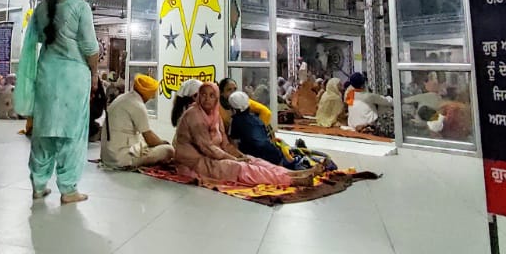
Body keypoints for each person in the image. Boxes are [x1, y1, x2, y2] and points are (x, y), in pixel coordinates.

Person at [17, 0, 100, 204]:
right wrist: (95, 73)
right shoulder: (79, 7)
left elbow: (38, 38)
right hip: (73, 79)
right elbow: (91, 48)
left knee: (44, 131)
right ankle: (68, 189)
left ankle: (39, 184)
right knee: (71, 134)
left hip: (47, 76)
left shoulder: (43, 8)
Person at [172, 82, 321, 188]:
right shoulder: (194, 115)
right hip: (196, 162)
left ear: (216, 98)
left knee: (252, 160)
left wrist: (238, 155)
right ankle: (291, 181)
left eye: (211, 95)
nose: (206, 99)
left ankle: (293, 174)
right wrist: (234, 158)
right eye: (202, 95)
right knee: (242, 168)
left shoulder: (215, 114)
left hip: (215, 156)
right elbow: (207, 148)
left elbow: (225, 143)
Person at [101, 74, 173, 169]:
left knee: (143, 141)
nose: (152, 98)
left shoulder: (122, 98)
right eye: (152, 95)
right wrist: (164, 143)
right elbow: (150, 139)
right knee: (169, 150)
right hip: (122, 159)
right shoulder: (138, 105)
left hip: (107, 156)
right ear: (148, 93)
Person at [345, 72, 394, 137]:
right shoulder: (369, 96)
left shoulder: (350, 95)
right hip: (367, 125)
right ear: (363, 84)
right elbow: (387, 101)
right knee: (383, 105)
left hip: (352, 125)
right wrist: (389, 97)